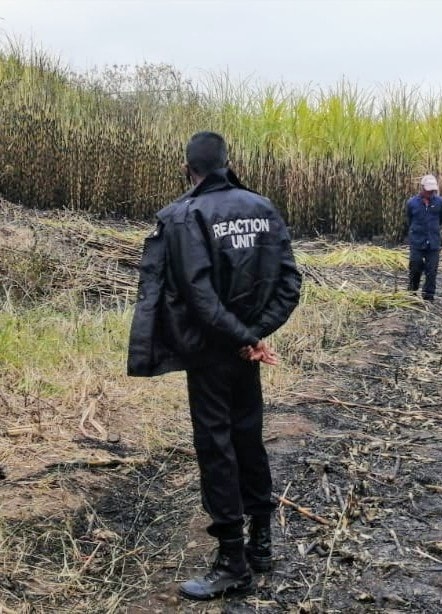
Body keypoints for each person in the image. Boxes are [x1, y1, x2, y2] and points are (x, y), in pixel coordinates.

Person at [127, 132, 302, 600]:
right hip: (243, 349)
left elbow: (199, 296)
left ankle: (233, 563)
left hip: (210, 352)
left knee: (217, 447)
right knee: (248, 437)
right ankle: (261, 543)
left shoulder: (187, 216)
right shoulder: (263, 208)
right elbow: (289, 284)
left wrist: (244, 340)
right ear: (229, 162)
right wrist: (255, 337)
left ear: (189, 169)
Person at [407, 174, 442, 300]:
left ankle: (428, 296)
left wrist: (433, 231)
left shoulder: (440, 202)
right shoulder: (412, 203)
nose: (430, 192)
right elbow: (408, 219)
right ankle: (412, 291)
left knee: (432, 270)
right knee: (415, 266)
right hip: (417, 241)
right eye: (428, 190)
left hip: (433, 242)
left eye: (432, 190)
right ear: (422, 188)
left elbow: (441, 219)